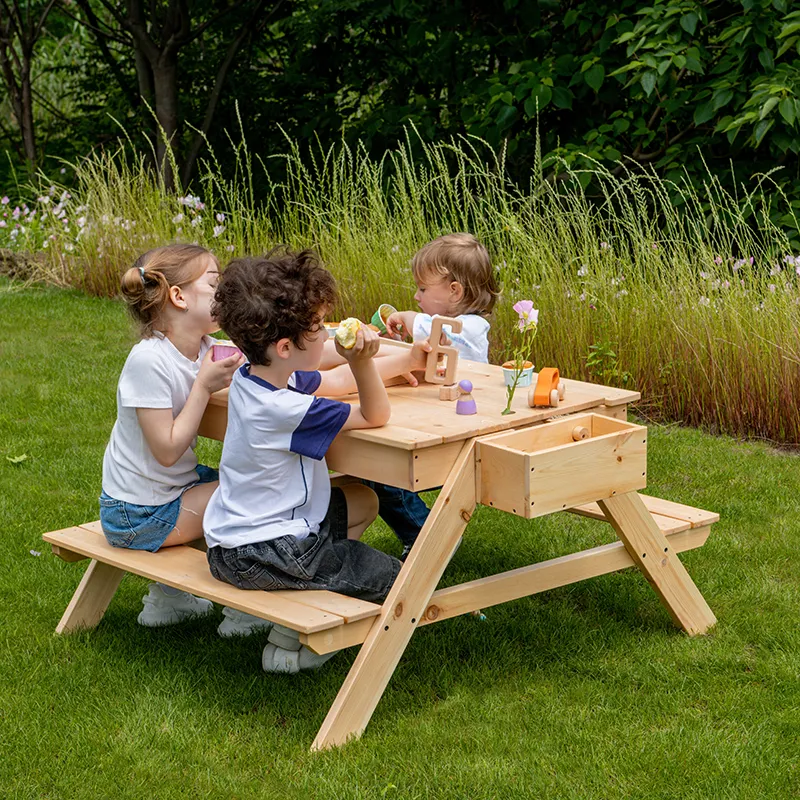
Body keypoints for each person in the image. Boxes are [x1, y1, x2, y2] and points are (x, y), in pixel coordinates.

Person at [204, 250, 430, 673]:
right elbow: (374, 414)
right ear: (286, 347)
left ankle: (291, 603)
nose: (327, 334)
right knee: (396, 579)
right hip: (269, 550)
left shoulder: (257, 376)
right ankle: (299, 644)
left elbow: (336, 381)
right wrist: (362, 360)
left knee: (363, 501)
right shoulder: (285, 408)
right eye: (317, 328)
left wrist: (408, 360)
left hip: (234, 542)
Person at [99, 244, 257, 634]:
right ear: (179, 296)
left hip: (165, 492)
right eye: (215, 284)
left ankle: (169, 599)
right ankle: (246, 603)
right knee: (254, 493)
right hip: (136, 515)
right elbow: (167, 451)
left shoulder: (204, 348)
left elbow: (268, 358)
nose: (226, 294)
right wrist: (203, 387)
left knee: (248, 479)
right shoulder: (148, 360)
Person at [375, 232, 501, 558]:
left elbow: (440, 330)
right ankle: (420, 531)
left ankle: (426, 535)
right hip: (436, 419)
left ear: (455, 291)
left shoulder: (472, 328)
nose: (416, 297)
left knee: (386, 469)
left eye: (422, 288)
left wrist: (408, 318)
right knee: (377, 467)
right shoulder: (441, 325)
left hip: (461, 432)